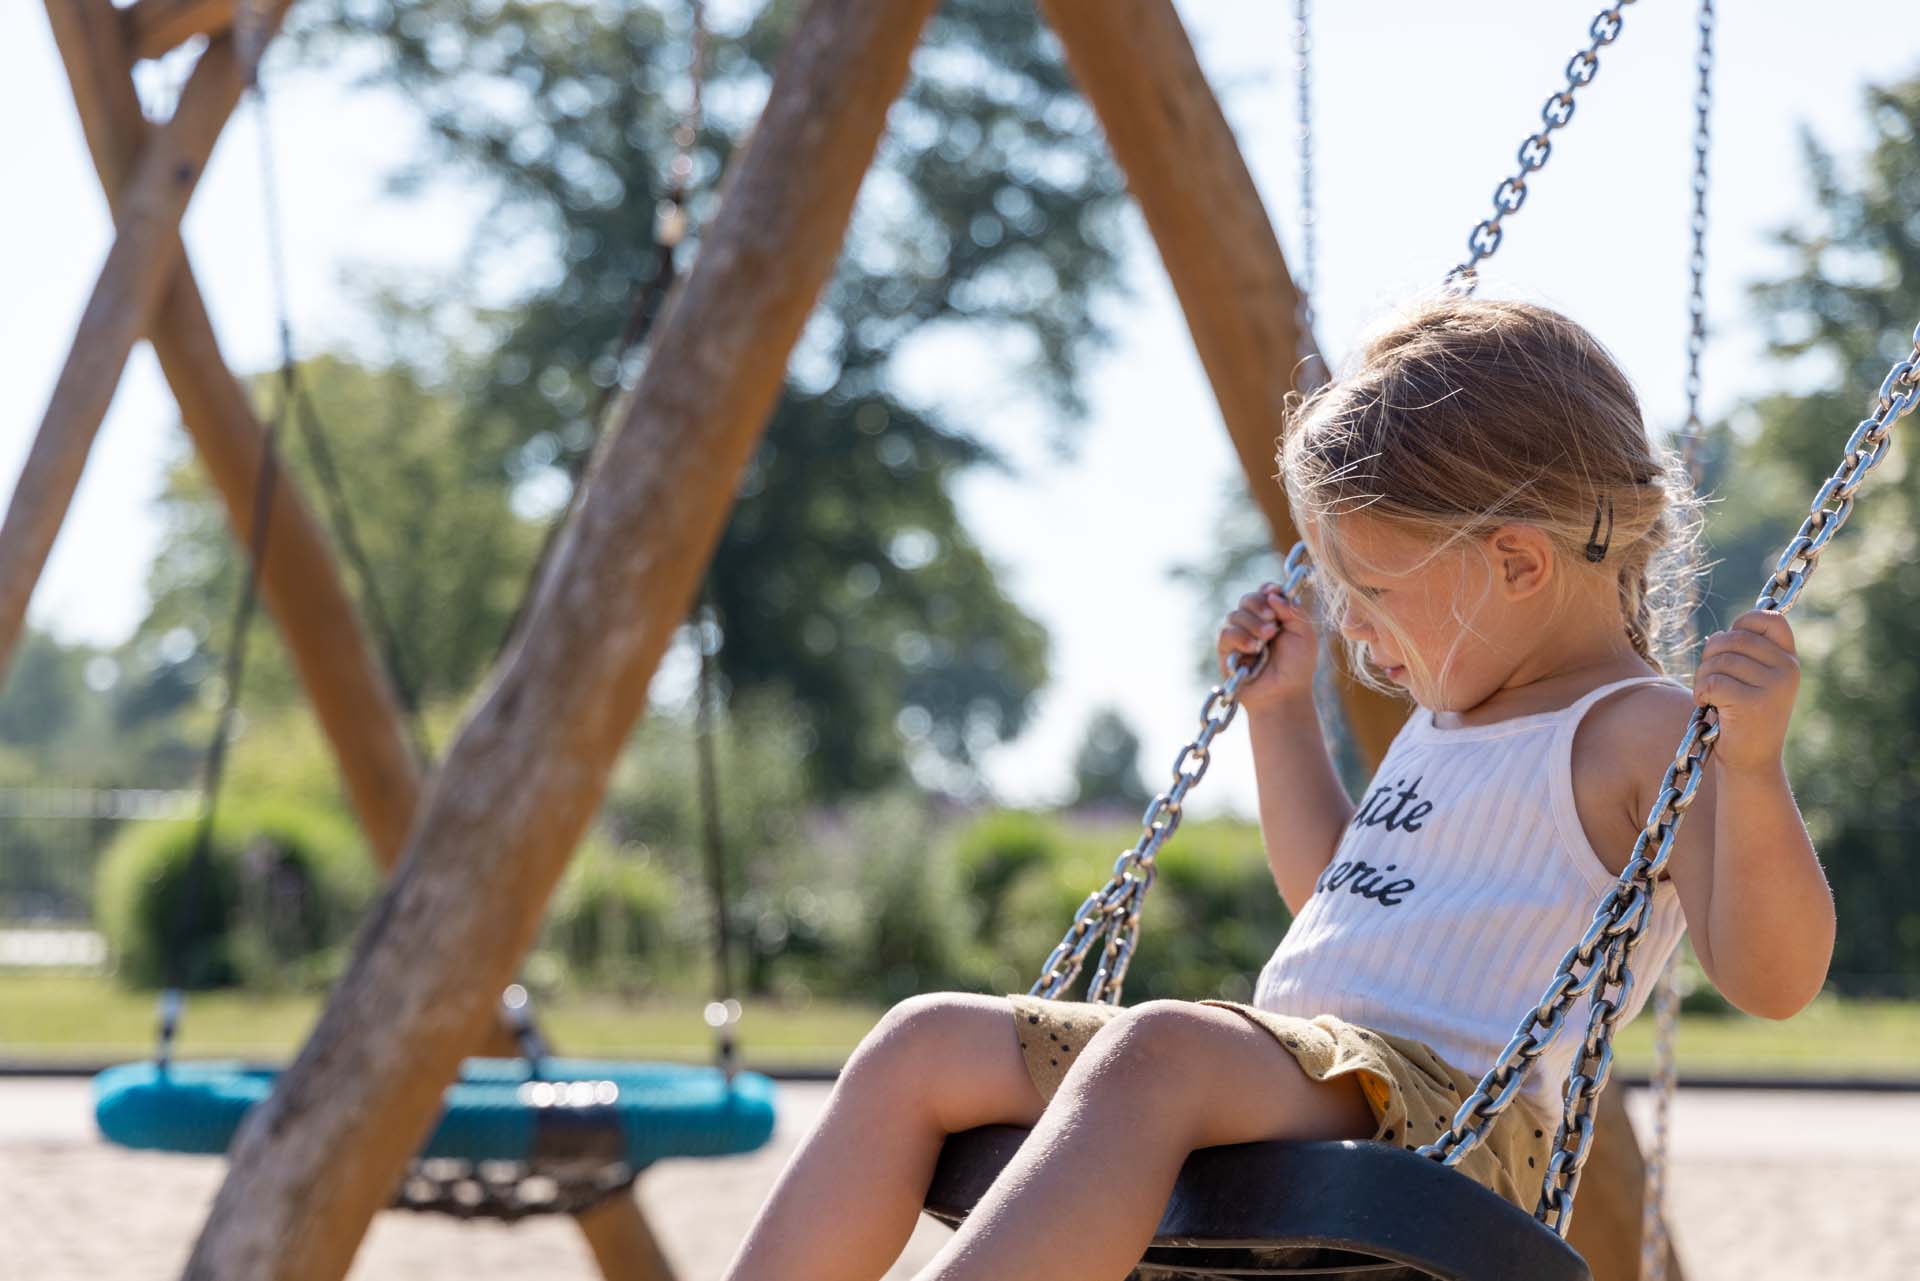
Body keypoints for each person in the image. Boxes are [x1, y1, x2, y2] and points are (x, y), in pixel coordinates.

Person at [719, 297, 1837, 1281]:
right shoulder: (1452, 714)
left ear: (1517, 563)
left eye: (1374, 585)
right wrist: (1280, 714)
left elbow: (1774, 980)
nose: (1352, 623)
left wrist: (1750, 772)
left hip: (1453, 1120)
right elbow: (1336, 892)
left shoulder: (1636, 730)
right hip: (1311, 1071)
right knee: (925, 1040)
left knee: (1160, 1049)